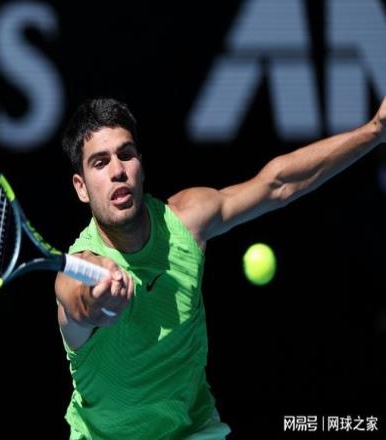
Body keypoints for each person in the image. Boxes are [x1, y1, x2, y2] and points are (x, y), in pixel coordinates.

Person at [55, 97, 386, 439]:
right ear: (81, 187)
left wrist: (375, 130)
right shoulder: (79, 268)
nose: (117, 171)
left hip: (194, 430)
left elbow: (278, 184)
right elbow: (74, 297)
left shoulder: (186, 221)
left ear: (141, 163)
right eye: (100, 162)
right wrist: (97, 301)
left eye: (126, 155)